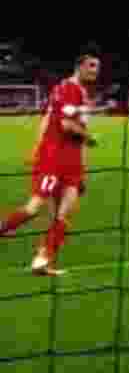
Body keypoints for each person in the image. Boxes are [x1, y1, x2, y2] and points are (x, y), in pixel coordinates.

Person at [0, 49, 101, 276]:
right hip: (54, 159)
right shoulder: (68, 88)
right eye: (92, 66)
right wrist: (90, 138)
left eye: (98, 67)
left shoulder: (80, 93)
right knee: (34, 207)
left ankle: (42, 260)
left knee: (64, 214)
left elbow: (50, 120)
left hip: (72, 163)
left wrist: (82, 164)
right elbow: (66, 125)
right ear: (80, 66)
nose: (96, 71)